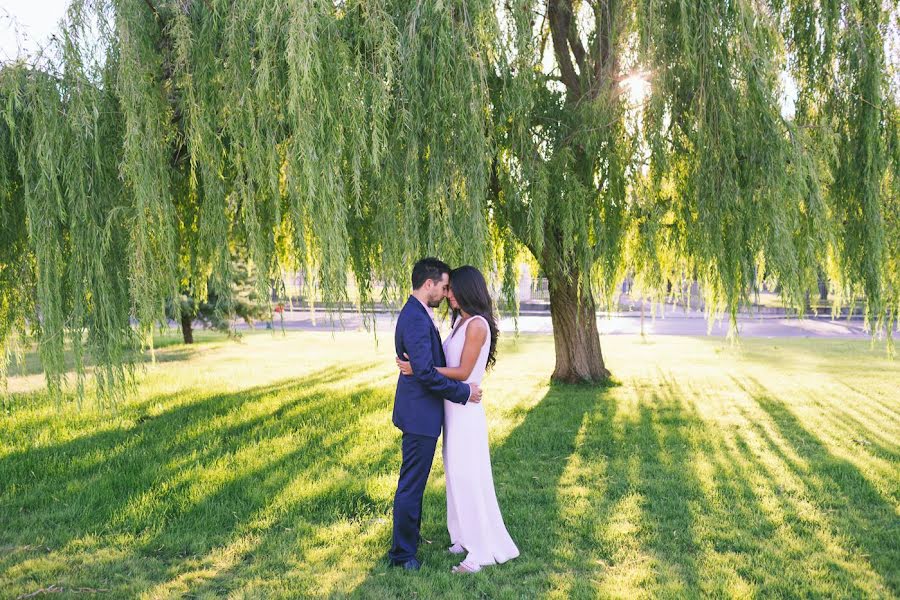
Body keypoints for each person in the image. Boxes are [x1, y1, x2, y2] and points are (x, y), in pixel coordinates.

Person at [397, 265, 519, 573]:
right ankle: (462, 536)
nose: (447, 293)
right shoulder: (460, 322)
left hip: (464, 412)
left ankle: (478, 552)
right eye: (445, 288)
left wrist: (421, 369)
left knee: (468, 478)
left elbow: (464, 372)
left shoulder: (477, 324)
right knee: (456, 477)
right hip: (450, 410)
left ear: (465, 289)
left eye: (451, 288)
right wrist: (424, 369)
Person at [388, 258, 482, 571]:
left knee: (413, 482)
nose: (445, 293)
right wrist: (465, 393)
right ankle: (402, 555)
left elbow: (424, 368)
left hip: (422, 413)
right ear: (429, 285)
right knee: (411, 485)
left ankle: (408, 541)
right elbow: (426, 375)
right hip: (420, 415)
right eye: (443, 287)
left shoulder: (419, 313)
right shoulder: (415, 317)